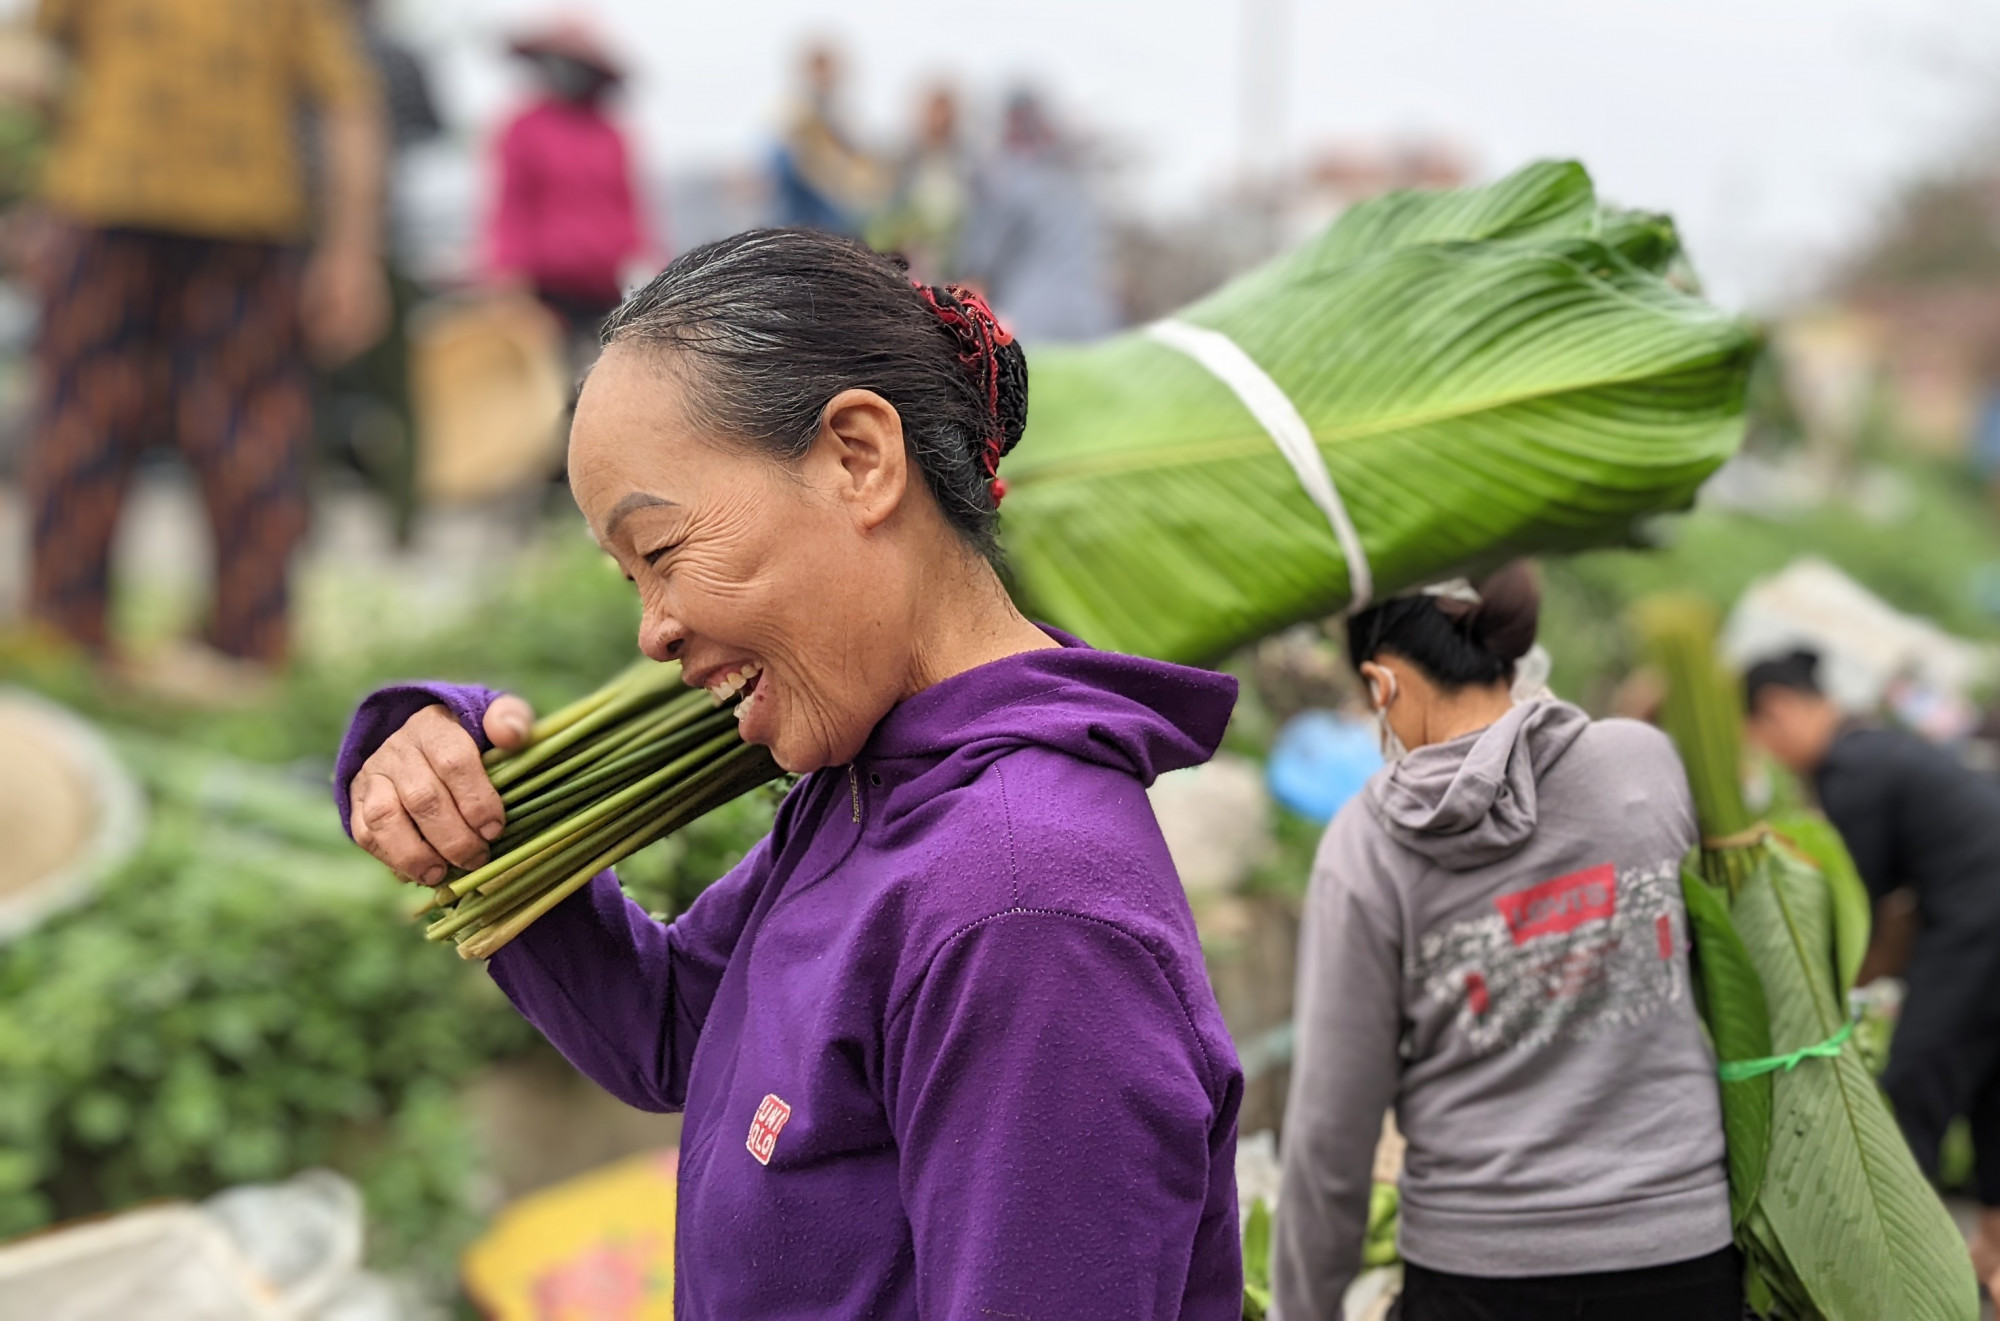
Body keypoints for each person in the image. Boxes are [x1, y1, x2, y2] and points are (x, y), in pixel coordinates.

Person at [332, 229, 1246, 1318]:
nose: (652, 632)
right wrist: (465, 774)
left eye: (660, 553)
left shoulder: (1020, 909)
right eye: (627, 577)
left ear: (859, 458)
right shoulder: (874, 784)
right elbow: (674, 1029)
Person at [1273, 566, 1738, 1321]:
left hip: (1479, 1271)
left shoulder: (1366, 845)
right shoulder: (1643, 764)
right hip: (1680, 1256)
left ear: (1380, 682)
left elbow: (1332, 1128)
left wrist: (1306, 1307)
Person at [26, 0, 387, 674]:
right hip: (110, 210)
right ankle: (64, 640)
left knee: (245, 447)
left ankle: (244, 650)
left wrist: (350, 253)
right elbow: (29, 63)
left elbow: (349, 102)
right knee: (84, 434)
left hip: (234, 225)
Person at [1744, 648, 2000, 1285]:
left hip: (1980, 921)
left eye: (1758, 739)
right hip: (1981, 918)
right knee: (1992, 1082)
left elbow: (1859, 909)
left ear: (1776, 710)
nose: (1768, 755)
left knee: (1913, 1087)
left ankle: (1896, 1277)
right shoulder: (1884, 748)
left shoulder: (1850, 766)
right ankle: (1993, 1256)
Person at [486, 19, 652, 343]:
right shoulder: (524, 127)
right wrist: (509, 285)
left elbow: (629, 208)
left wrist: (650, 272)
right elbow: (511, 207)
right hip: (543, 292)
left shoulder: (611, 134)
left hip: (605, 289)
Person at [955, 89, 1117, 343]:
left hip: (1028, 321)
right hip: (1093, 324)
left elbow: (983, 258)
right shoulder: (1078, 184)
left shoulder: (1005, 176)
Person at [770, 42, 885, 236]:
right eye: (818, 70)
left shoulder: (843, 111)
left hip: (832, 192)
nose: (823, 76)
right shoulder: (794, 107)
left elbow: (858, 156)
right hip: (803, 193)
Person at [866, 84, 972, 284]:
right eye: (934, 113)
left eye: (945, 114)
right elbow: (883, 217)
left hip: (953, 266)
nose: (939, 120)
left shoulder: (967, 162)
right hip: (907, 265)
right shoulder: (903, 159)